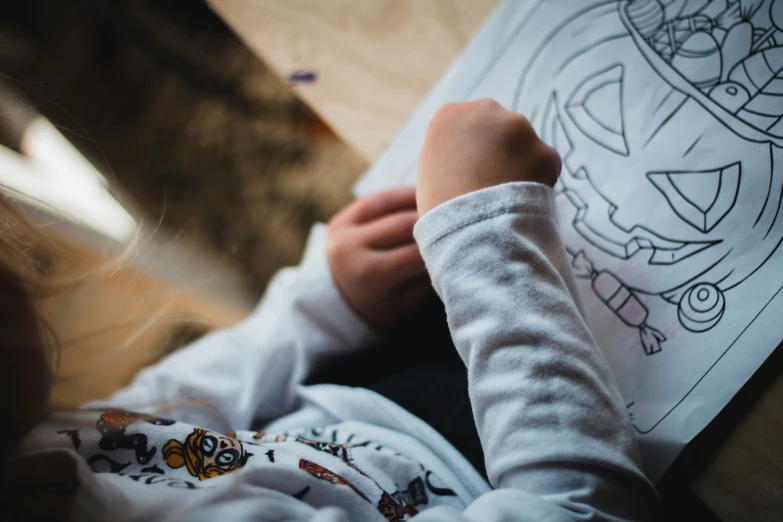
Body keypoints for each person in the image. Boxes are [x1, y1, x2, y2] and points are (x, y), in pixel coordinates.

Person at [8, 99, 662, 521]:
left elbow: (166, 409)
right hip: (519, 473)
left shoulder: (35, 452)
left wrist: (322, 304)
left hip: (361, 414)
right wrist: (485, 237)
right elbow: (578, 511)